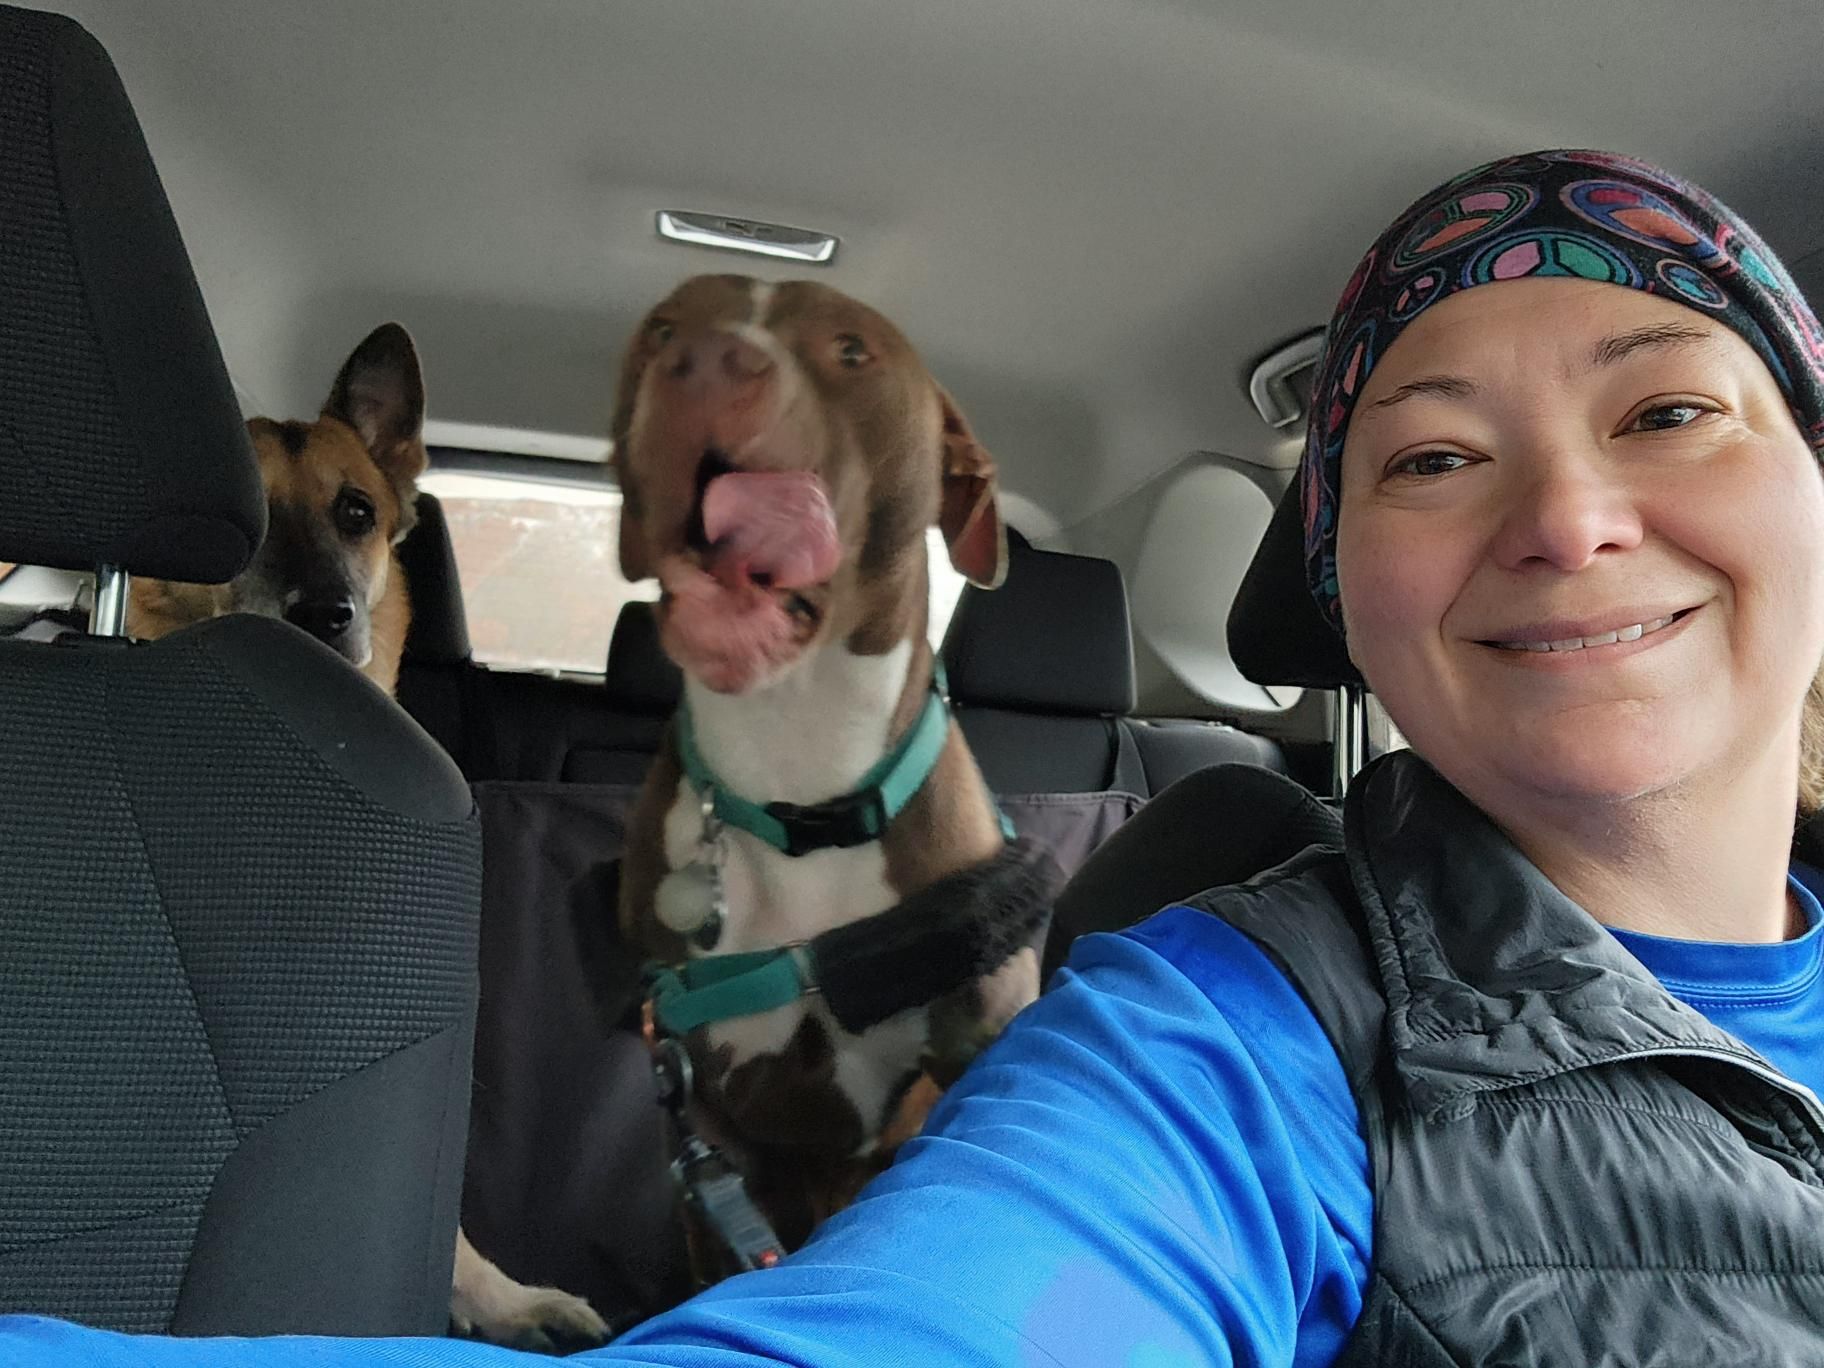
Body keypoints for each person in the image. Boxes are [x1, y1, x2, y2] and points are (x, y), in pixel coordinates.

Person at [8, 147, 1824, 1365]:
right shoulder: (1241, 1026)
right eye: (1433, 455)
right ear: (1348, 584)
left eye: (1670, 408)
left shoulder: (1142, 829)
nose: (1574, 516)